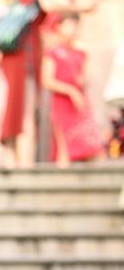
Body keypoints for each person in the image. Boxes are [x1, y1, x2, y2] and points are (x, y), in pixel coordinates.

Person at [0, 0, 99, 167]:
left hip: (28, 54)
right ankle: (22, 164)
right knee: (23, 110)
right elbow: (48, 3)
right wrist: (80, 7)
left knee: (26, 111)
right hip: (23, 56)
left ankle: (20, 161)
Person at [41, 13, 103, 166]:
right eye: (68, 25)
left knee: (90, 146)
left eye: (75, 25)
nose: (72, 29)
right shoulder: (52, 52)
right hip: (62, 103)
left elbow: (85, 78)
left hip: (80, 104)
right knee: (65, 146)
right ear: (59, 27)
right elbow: (47, 80)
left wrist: (82, 81)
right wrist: (70, 90)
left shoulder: (80, 52)